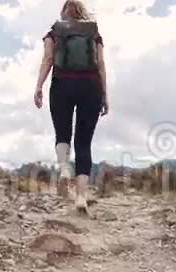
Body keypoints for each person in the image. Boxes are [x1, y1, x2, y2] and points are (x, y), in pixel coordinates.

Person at [33, 0, 109, 213]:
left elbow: (48, 58)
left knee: (62, 134)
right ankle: (81, 197)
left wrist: (38, 86)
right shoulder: (93, 32)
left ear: (64, 12)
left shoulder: (54, 32)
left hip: (62, 85)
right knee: (84, 143)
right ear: (82, 12)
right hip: (91, 87)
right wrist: (104, 95)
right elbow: (101, 65)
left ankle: (65, 170)